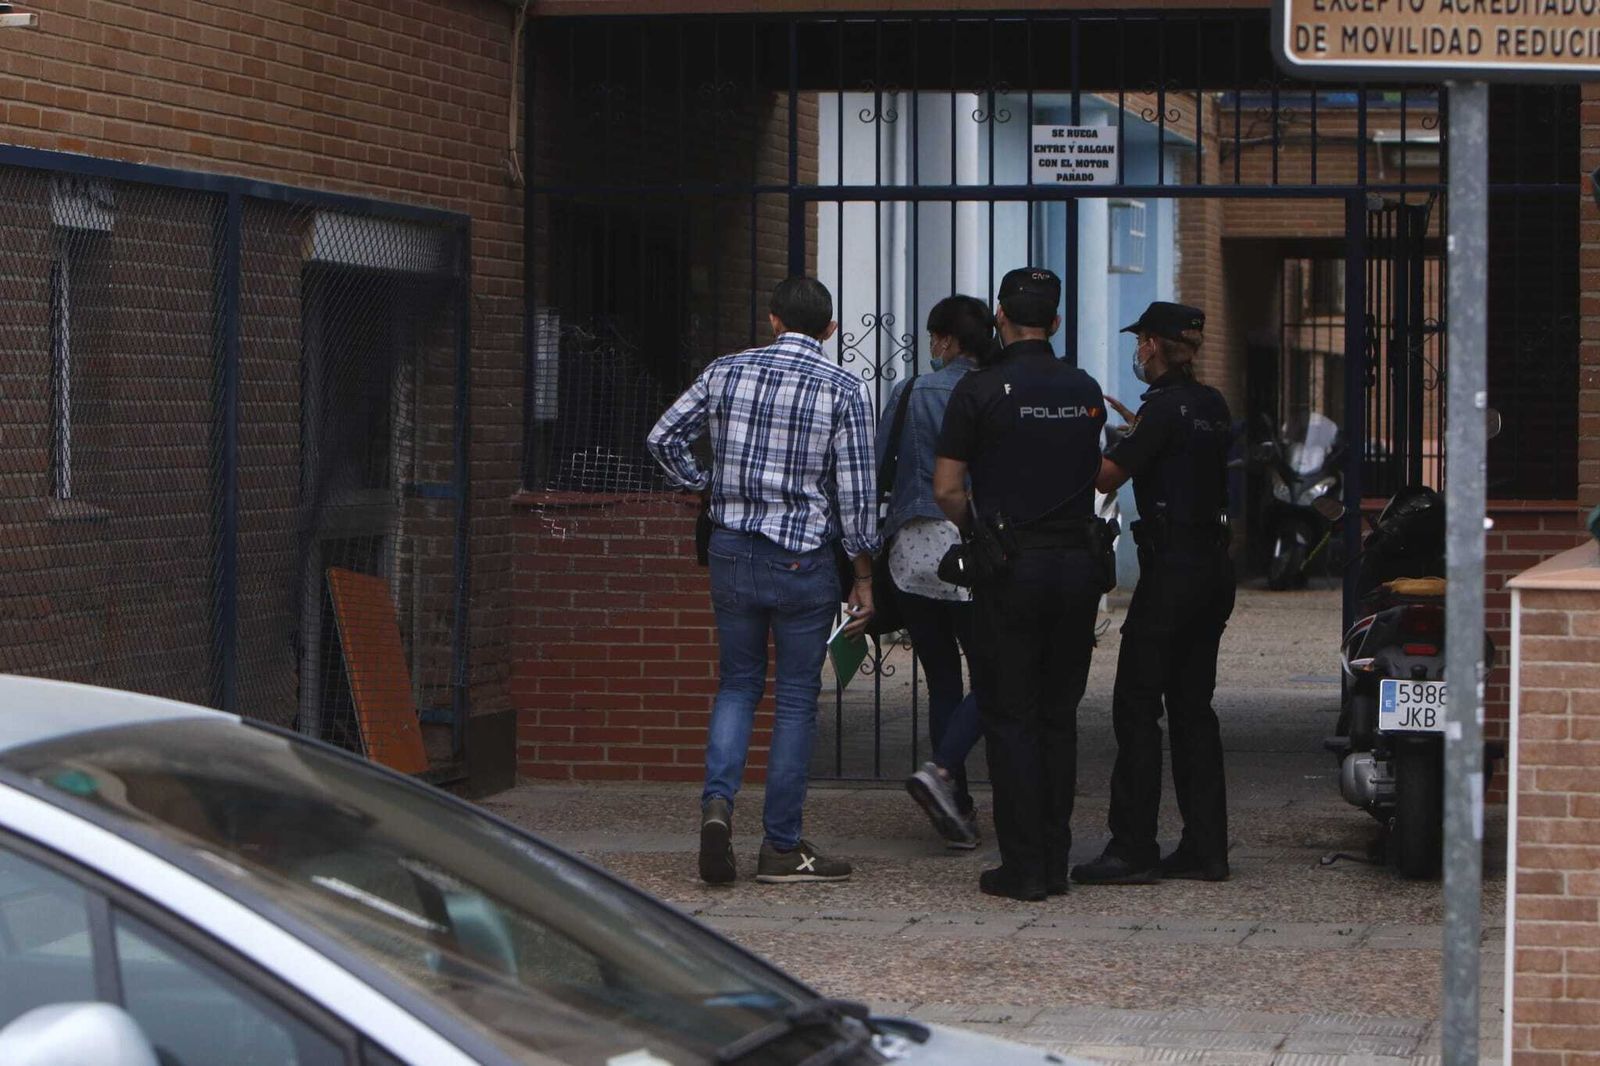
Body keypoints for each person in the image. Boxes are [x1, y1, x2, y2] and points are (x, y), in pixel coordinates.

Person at [646, 277, 878, 886]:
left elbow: (662, 436)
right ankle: (781, 846)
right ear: (829, 330)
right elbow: (854, 495)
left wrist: (703, 483)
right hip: (802, 558)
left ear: (772, 319)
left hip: (731, 550)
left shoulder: (726, 371)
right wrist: (863, 574)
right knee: (797, 698)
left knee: (737, 685)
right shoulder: (845, 388)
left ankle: (718, 807)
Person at [932, 267, 1107, 901]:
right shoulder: (1084, 389)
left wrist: (982, 530)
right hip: (1076, 568)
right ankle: (1055, 860)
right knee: (1058, 717)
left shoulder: (979, 390)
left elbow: (947, 489)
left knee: (1010, 715)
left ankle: (1023, 866)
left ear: (1001, 317)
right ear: (1055, 322)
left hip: (1010, 566)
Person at [1071, 301, 1237, 886]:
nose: (1137, 350)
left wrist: (1095, 440)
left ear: (1159, 346)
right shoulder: (1211, 404)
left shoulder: (1163, 409)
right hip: (1213, 568)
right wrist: (1137, 434)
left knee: (1137, 705)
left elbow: (1103, 478)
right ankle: (1206, 847)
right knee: (1194, 708)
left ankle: (1133, 846)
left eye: (1142, 340)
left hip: (1171, 572)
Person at [879, 296, 992, 849]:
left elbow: (881, 466)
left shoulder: (909, 392)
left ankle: (958, 805)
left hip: (912, 552)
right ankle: (945, 772)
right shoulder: (996, 390)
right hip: (972, 545)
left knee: (943, 679)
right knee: (993, 672)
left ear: (946, 340)